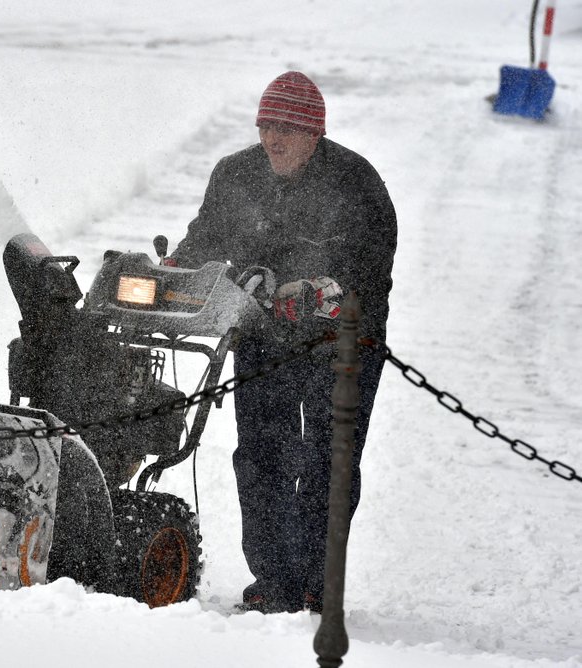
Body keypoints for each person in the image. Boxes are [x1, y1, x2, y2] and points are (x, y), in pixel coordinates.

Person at [170, 71, 397, 614]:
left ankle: (317, 583)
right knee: (262, 458)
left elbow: (372, 269)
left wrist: (327, 293)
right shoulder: (235, 175)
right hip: (266, 339)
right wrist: (175, 271)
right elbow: (205, 242)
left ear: (315, 134)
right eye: (266, 126)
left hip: (344, 348)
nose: (274, 138)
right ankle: (273, 581)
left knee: (328, 462)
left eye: (288, 129)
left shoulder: (356, 183)